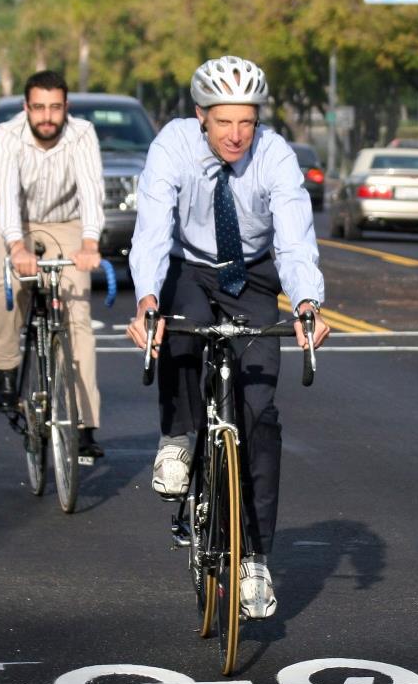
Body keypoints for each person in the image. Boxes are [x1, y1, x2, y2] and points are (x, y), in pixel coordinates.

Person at [126, 55, 330, 620]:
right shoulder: (172, 146)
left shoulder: (276, 156)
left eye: (247, 121)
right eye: (223, 122)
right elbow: (152, 228)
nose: (236, 134)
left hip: (253, 274)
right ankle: (178, 440)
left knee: (260, 413)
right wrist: (146, 299)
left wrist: (308, 302)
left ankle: (255, 561)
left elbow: (293, 237)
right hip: (187, 266)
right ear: (201, 117)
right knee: (180, 329)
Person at [0, 69, 107, 459]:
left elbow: (92, 192)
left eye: (55, 107)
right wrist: (17, 249)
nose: (47, 117)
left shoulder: (83, 134)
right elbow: (3, 196)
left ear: (66, 108)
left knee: (78, 316)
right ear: (26, 108)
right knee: (9, 278)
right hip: (11, 220)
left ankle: (85, 426)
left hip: (66, 224)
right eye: (38, 108)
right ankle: (5, 369)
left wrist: (90, 243)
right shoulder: (7, 135)